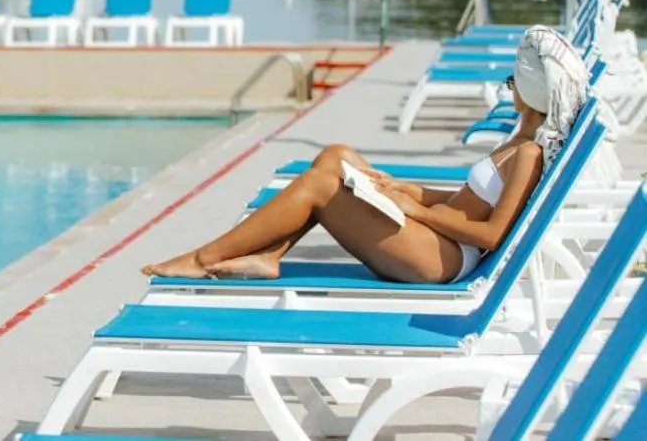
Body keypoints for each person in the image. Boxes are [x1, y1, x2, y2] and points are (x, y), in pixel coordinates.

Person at [142, 26, 590, 284]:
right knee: (336, 156)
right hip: (438, 239)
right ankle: (272, 253)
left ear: (528, 92)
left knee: (320, 186)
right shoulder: (516, 141)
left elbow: (491, 234)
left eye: (512, 83)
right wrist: (405, 189)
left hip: (446, 257)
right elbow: (467, 200)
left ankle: (202, 259)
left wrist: (415, 210)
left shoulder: (528, 153)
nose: (510, 90)